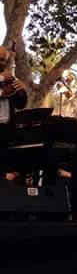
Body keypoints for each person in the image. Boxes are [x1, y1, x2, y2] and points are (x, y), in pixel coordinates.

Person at [0, 46, 27, 180]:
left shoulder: (10, 78)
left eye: (2, 60)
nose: (0, 62)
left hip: (6, 131)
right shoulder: (5, 77)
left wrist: (21, 89)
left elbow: (21, 104)